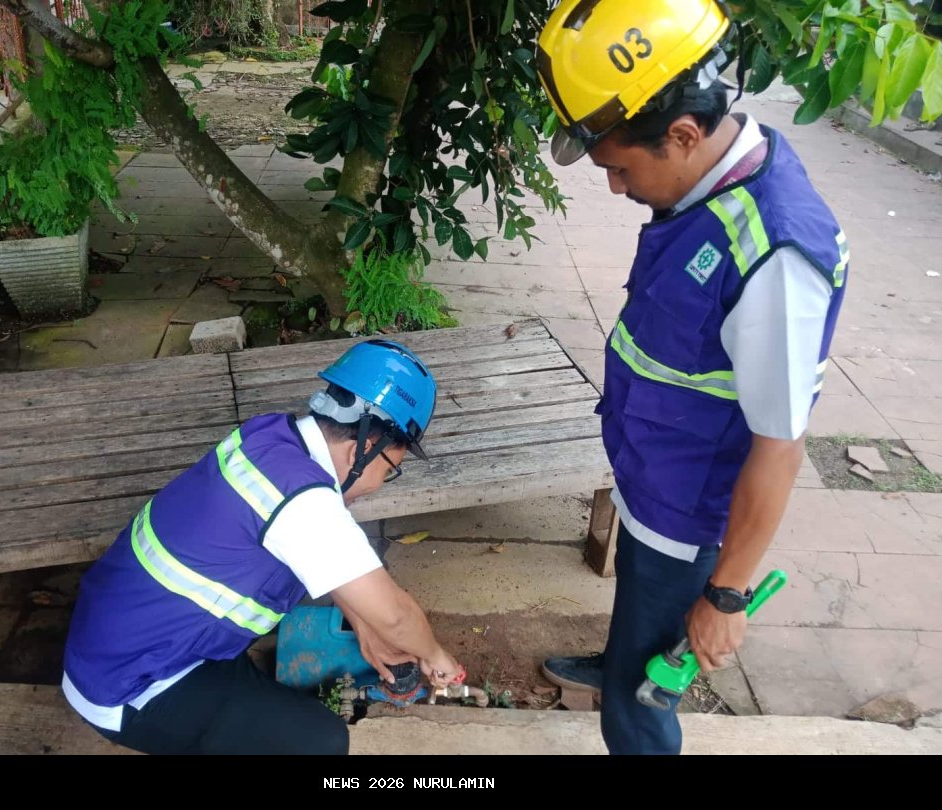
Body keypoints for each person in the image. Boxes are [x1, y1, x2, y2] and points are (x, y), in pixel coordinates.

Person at [535, 0, 849, 754]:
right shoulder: (717, 177)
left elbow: (780, 445)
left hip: (687, 509)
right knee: (639, 618)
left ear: (682, 134)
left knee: (639, 704)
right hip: (655, 472)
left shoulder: (773, 257)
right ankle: (621, 658)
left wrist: (726, 594)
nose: (615, 189)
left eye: (619, 169)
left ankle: (626, 692)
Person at [61, 339, 464, 755]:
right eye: (390, 467)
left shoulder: (269, 436)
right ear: (365, 447)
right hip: (130, 685)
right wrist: (436, 657)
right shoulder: (305, 503)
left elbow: (319, 554)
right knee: (320, 742)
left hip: (119, 639)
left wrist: (364, 627)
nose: (380, 483)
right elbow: (398, 618)